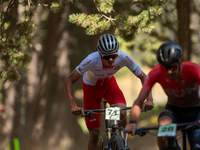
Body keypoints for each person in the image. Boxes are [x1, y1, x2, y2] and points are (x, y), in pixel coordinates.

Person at [64, 34, 153, 150]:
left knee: (121, 111)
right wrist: (73, 105)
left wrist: (149, 99)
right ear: (100, 54)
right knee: (94, 136)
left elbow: (144, 77)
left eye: (113, 55)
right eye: (106, 57)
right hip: (91, 90)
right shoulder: (91, 60)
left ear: (117, 52)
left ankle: (122, 143)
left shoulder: (123, 57)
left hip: (109, 85)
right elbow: (69, 80)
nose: (111, 59)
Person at [125, 41, 200, 150]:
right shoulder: (156, 72)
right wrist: (132, 122)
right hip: (174, 110)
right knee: (163, 128)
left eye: (173, 67)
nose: (169, 72)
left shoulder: (193, 69)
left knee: (197, 144)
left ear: (181, 61)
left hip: (196, 110)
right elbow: (139, 101)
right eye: (165, 68)